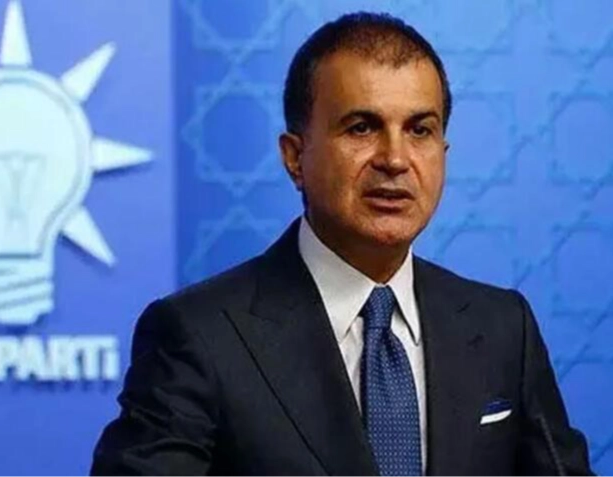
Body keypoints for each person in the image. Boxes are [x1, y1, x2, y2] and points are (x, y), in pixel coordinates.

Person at [91, 12, 595, 477]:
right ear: (295, 157)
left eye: (419, 130)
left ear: (443, 151)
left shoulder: (503, 326)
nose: (395, 159)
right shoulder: (198, 335)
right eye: (362, 127)